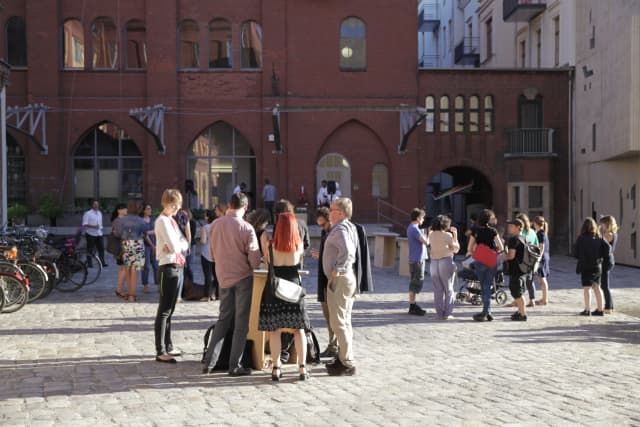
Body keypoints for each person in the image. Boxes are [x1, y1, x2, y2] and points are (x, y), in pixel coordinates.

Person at [202, 192, 262, 376]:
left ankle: (209, 362)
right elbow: (254, 260)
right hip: (243, 278)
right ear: (245, 208)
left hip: (223, 278)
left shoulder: (215, 225)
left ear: (229, 205)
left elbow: (211, 254)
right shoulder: (246, 228)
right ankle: (234, 365)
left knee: (223, 320)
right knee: (241, 322)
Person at [259, 212, 311, 381]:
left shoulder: (270, 246)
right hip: (294, 289)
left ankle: (276, 368)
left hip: (275, 290)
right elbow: (299, 262)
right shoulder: (299, 245)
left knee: (275, 330)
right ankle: (302, 369)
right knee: (299, 329)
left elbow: (267, 263)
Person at [323, 197, 358, 376]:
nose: (328, 212)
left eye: (331, 209)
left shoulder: (341, 228)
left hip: (341, 279)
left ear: (341, 213)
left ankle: (346, 363)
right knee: (344, 321)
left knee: (338, 322)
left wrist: (338, 269)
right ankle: (345, 357)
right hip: (346, 279)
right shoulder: (348, 227)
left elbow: (348, 251)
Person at [153, 189, 189, 363]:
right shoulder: (162, 221)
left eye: (178, 205)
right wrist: (176, 244)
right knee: (164, 310)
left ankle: (168, 345)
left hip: (176, 265)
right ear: (166, 203)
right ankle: (160, 350)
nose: (177, 208)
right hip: (167, 267)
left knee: (171, 309)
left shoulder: (171, 221)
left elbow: (184, 241)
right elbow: (176, 245)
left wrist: (178, 244)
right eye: (174, 205)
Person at [309, 207, 338, 358]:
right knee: (327, 315)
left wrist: (321, 255)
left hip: (332, 280)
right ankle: (332, 344)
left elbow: (337, 257)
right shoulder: (325, 232)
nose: (322, 227)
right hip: (323, 278)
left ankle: (335, 346)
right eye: (319, 225)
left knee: (333, 315)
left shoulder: (335, 233)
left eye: (323, 224)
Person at [468, 209, 504, 322]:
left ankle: (486, 311)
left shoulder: (475, 231)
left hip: (480, 262)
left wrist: (477, 254)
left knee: (483, 286)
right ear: (489, 220)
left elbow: (469, 248)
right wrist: (493, 253)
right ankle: (487, 312)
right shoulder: (493, 231)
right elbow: (501, 247)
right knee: (487, 286)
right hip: (490, 261)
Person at [575, 217, 612, 316]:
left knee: (587, 288)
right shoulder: (599, 237)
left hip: (586, 266)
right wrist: (601, 257)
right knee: (597, 287)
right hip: (597, 265)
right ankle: (600, 310)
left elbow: (576, 253)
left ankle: (587, 310)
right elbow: (608, 248)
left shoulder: (581, 238)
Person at [429, 215, 460, 320]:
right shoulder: (447, 235)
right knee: (448, 289)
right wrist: (455, 235)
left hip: (434, 262)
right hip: (445, 261)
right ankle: (447, 313)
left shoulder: (431, 234)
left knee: (437, 290)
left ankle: (439, 313)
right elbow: (455, 249)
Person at [118, 200, 147, 302]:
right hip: (138, 244)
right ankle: (132, 295)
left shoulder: (122, 220)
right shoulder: (141, 220)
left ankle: (129, 293)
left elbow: (119, 233)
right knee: (134, 270)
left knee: (127, 269)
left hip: (126, 244)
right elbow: (145, 231)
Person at [505, 219, 528, 321]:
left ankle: (523, 314)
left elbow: (511, 256)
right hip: (523, 269)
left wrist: (503, 256)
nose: (509, 228)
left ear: (518, 227)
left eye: (511, 226)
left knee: (516, 292)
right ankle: (520, 311)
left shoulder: (513, 239)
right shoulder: (524, 238)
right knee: (519, 291)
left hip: (515, 269)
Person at [407, 208, 429, 316]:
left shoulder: (411, 227)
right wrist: (428, 234)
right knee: (416, 283)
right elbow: (426, 242)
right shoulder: (415, 229)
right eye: (422, 218)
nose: (423, 220)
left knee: (414, 282)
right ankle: (412, 305)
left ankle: (413, 305)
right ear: (418, 218)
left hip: (414, 259)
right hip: (417, 260)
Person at [516, 213, 539, 307]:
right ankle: (532, 300)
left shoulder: (522, 234)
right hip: (532, 259)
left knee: (520, 281)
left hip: (523, 260)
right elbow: (537, 245)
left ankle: (518, 300)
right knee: (530, 281)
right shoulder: (533, 232)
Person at [599, 215, 618, 313]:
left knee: (605, 286)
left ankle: (608, 307)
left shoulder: (608, 234)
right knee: (604, 285)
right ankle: (610, 306)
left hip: (606, 261)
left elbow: (600, 243)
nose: (601, 225)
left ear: (607, 224)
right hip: (609, 260)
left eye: (602, 223)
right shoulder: (613, 233)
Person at [199, 209, 217, 301]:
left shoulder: (205, 227)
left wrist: (198, 240)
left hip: (206, 253)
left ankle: (207, 295)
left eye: (205, 215)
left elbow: (203, 241)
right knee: (217, 275)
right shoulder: (218, 226)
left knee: (208, 275)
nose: (204, 217)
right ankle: (216, 294)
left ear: (208, 217)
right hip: (217, 253)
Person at [82, 200, 107, 267]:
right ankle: (89, 263)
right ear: (92, 205)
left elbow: (100, 224)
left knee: (101, 249)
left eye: (97, 204)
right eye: (94, 204)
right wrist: (93, 227)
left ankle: (102, 262)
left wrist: (101, 228)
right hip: (90, 234)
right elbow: (84, 224)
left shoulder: (99, 213)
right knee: (90, 249)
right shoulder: (87, 213)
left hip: (99, 234)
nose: (96, 205)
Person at [140, 202, 158, 293]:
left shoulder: (153, 219)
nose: (150, 210)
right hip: (145, 246)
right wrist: (152, 245)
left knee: (156, 265)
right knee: (146, 266)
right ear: (143, 210)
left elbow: (157, 230)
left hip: (155, 245)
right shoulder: (141, 220)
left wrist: (149, 232)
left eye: (150, 209)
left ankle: (158, 284)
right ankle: (145, 285)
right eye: (147, 209)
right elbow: (143, 234)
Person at [111, 203, 128, 299]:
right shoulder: (117, 221)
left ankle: (120, 288)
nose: (126, 210)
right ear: (119, 210)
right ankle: (119, 289)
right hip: (121, 248)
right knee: (123, 269)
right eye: (124, 208)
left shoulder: (123, 220)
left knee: (123, 269)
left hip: (124, 247)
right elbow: (117, 234)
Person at [532, 216, 550, 306]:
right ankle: (544, 298)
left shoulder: (540, 234)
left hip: (541, 258)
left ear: (535, 223)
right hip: (544, 257)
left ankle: (544, 299)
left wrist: (538, 258)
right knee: (541, 279)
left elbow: (541, 247)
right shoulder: (542, 233)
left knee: (542, 279)